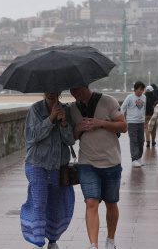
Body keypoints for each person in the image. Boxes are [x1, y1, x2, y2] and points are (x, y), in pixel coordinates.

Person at [69, 86, 127, 249]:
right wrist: (78, 129)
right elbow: (71, 136)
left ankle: (110, 240)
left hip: (111, 161)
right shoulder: (73, 108)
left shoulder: (108, 101)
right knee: (91, 202)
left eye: (76, 88)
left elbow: (123, 126)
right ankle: (93, 244)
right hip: (87, 163)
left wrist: (100, 123)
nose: (74, 92)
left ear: (86, 84)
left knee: (111, 203)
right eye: (71, 90)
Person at [21, 92, 76, 249]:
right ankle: (38, 242)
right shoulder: (36, 109)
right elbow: (32, 136)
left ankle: (52, 240)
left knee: (55, 204)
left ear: (59, 92)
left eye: (54, 90)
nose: (50, 93)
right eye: (47, 90)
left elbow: (70, 140)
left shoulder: (66, 109)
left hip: (59, 166)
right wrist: (51, 118)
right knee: (39, 202)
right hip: (37, 164)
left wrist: (64, 123)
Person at [120, 81, 146, 168]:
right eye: (140, 89)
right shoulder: (129, 97)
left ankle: (139, 157)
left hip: (141, 122)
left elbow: (144, 109)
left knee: (141, 140)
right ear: (135, 89)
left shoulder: (144, 97)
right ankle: (134, 159)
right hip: (132, 122)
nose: (141, 91)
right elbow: (122, 108)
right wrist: (121, 120)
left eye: (142, 89)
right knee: (133, 140)